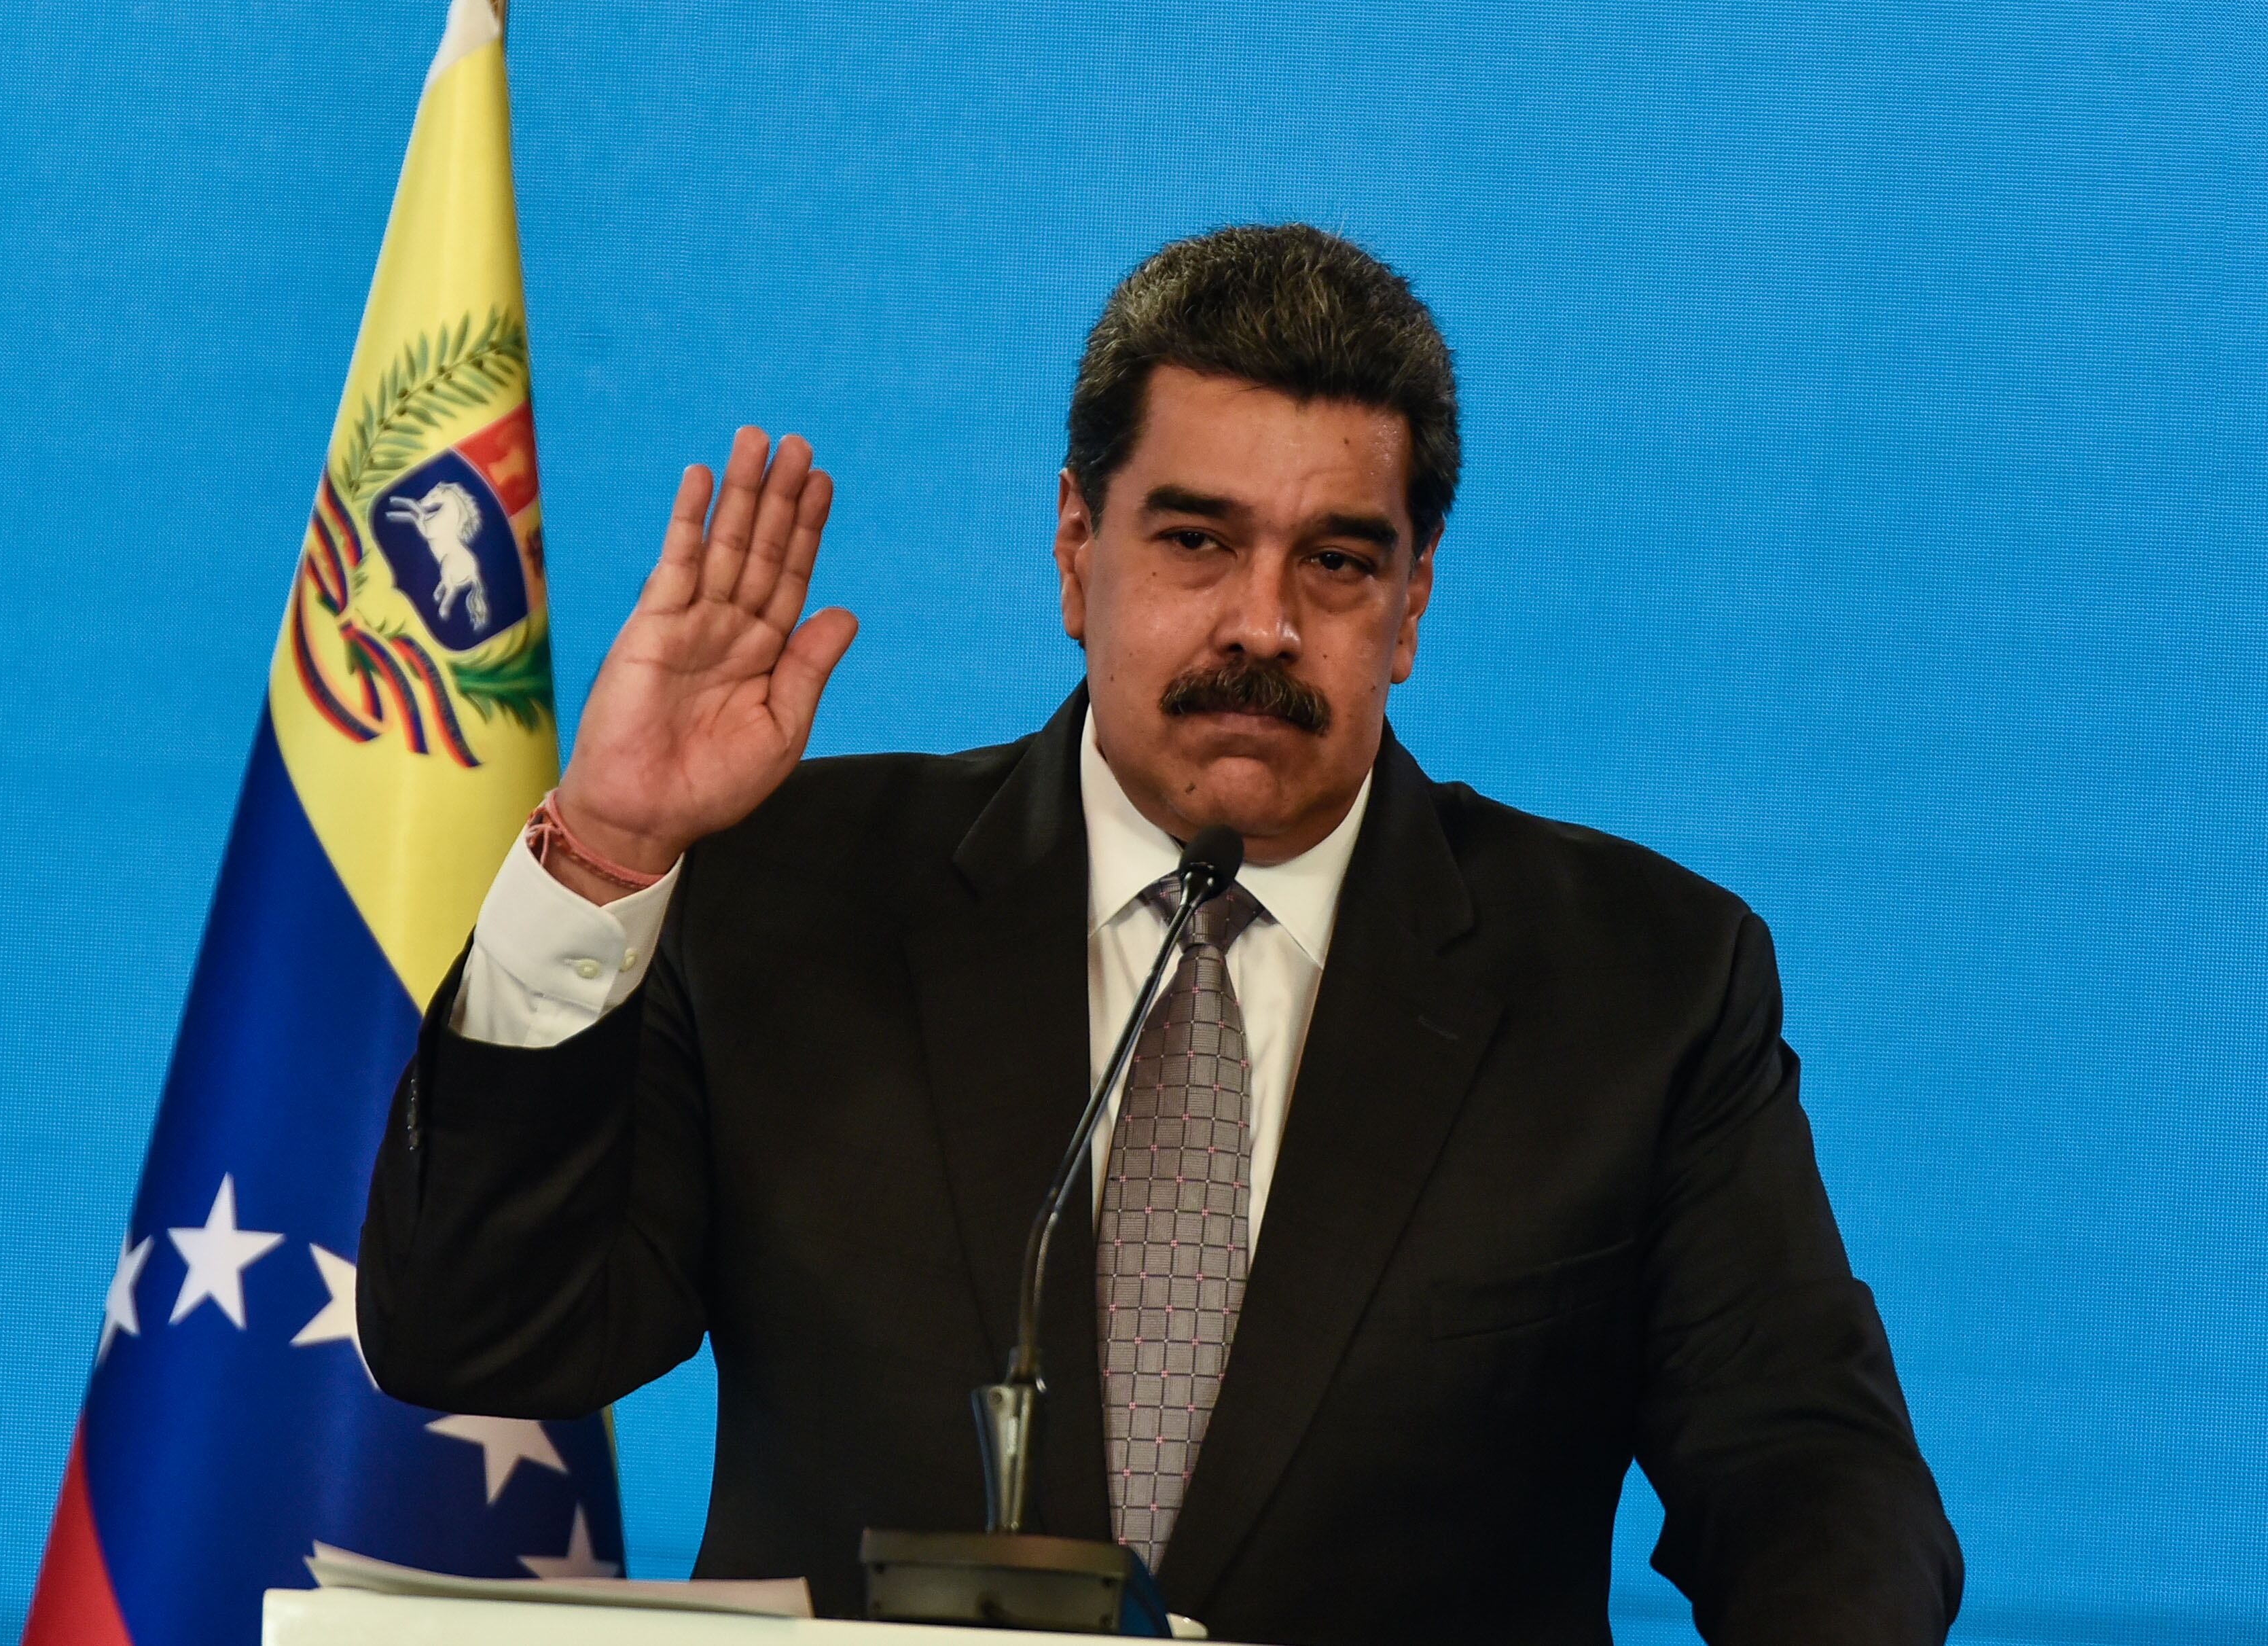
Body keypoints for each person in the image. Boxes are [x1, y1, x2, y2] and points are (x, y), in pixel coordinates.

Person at [359, 223, 1963, 1643]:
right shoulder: (788, 893)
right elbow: (476, 1337)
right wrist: (610, 850)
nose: (1263, 620)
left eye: (1337, 560)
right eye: (1195, 539)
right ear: (1076, 547)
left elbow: (1804, 1467)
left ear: (1411, 600)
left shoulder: (1635, 981)